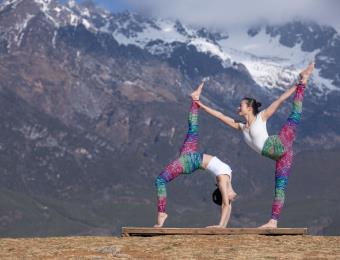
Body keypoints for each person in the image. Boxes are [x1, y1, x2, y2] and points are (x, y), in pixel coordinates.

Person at [195, 62, 315, 228]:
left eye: (241, 105)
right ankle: (273, 222)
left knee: (294, 116)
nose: (238, 107)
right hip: (281, 156)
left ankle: (304, 80)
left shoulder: (262, 117)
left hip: (280, 143)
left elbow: (280, 100)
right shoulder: (241, 127)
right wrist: (201, 106)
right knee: (279, 187)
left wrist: (298, 85)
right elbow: (220, 116)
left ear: (249, 108)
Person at [154, 81, 237, 228]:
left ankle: (162, 213)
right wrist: (223, 225)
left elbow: (225, 205)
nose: (231, 199)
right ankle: (195, 99)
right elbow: (228, 206)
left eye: (228, 198)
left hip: (188, 162)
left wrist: (220, 226)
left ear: (221, 191)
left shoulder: (223, 180)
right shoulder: (229, 176)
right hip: (191, 155)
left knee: (160, 180)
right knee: (193, 128)